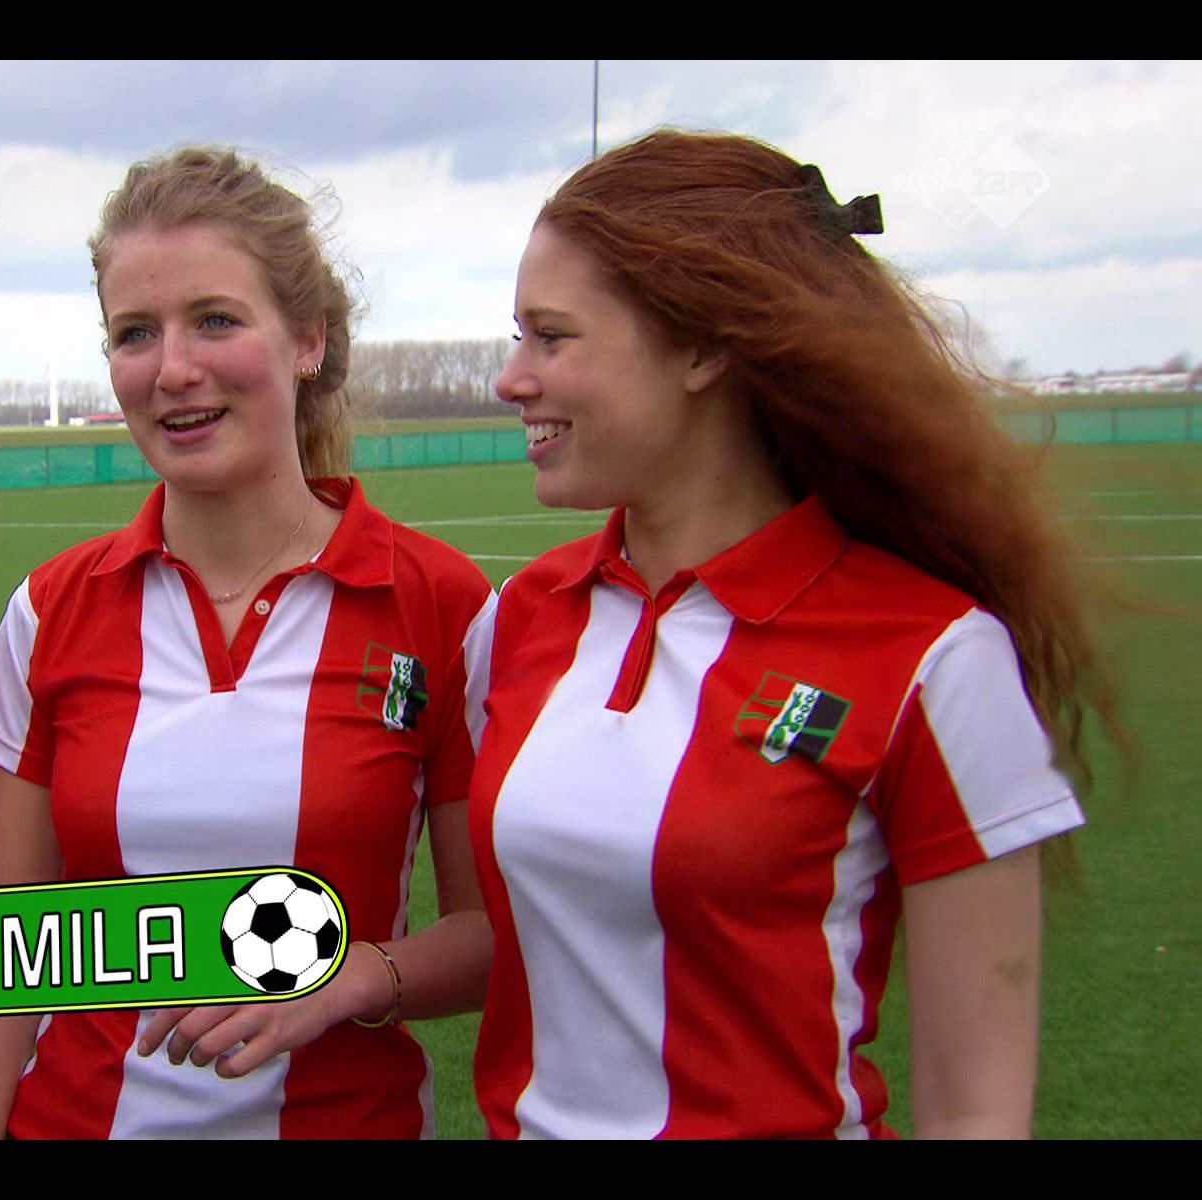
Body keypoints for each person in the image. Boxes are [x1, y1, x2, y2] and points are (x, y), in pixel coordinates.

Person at [470, 129, 1122, 1139]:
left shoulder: (938, 658)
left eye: (551, 337)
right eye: (518, 337)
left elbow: (976, 1112)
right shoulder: (522, 617)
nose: (512, 378)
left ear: (704, 347)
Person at [0, 148, 497, 1139]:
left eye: (216, 321)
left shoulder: (440, 606)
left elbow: (492, 937)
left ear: (308, 340)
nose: (172, 370)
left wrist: (355, 976)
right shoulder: (52, 611)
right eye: (135, 334)